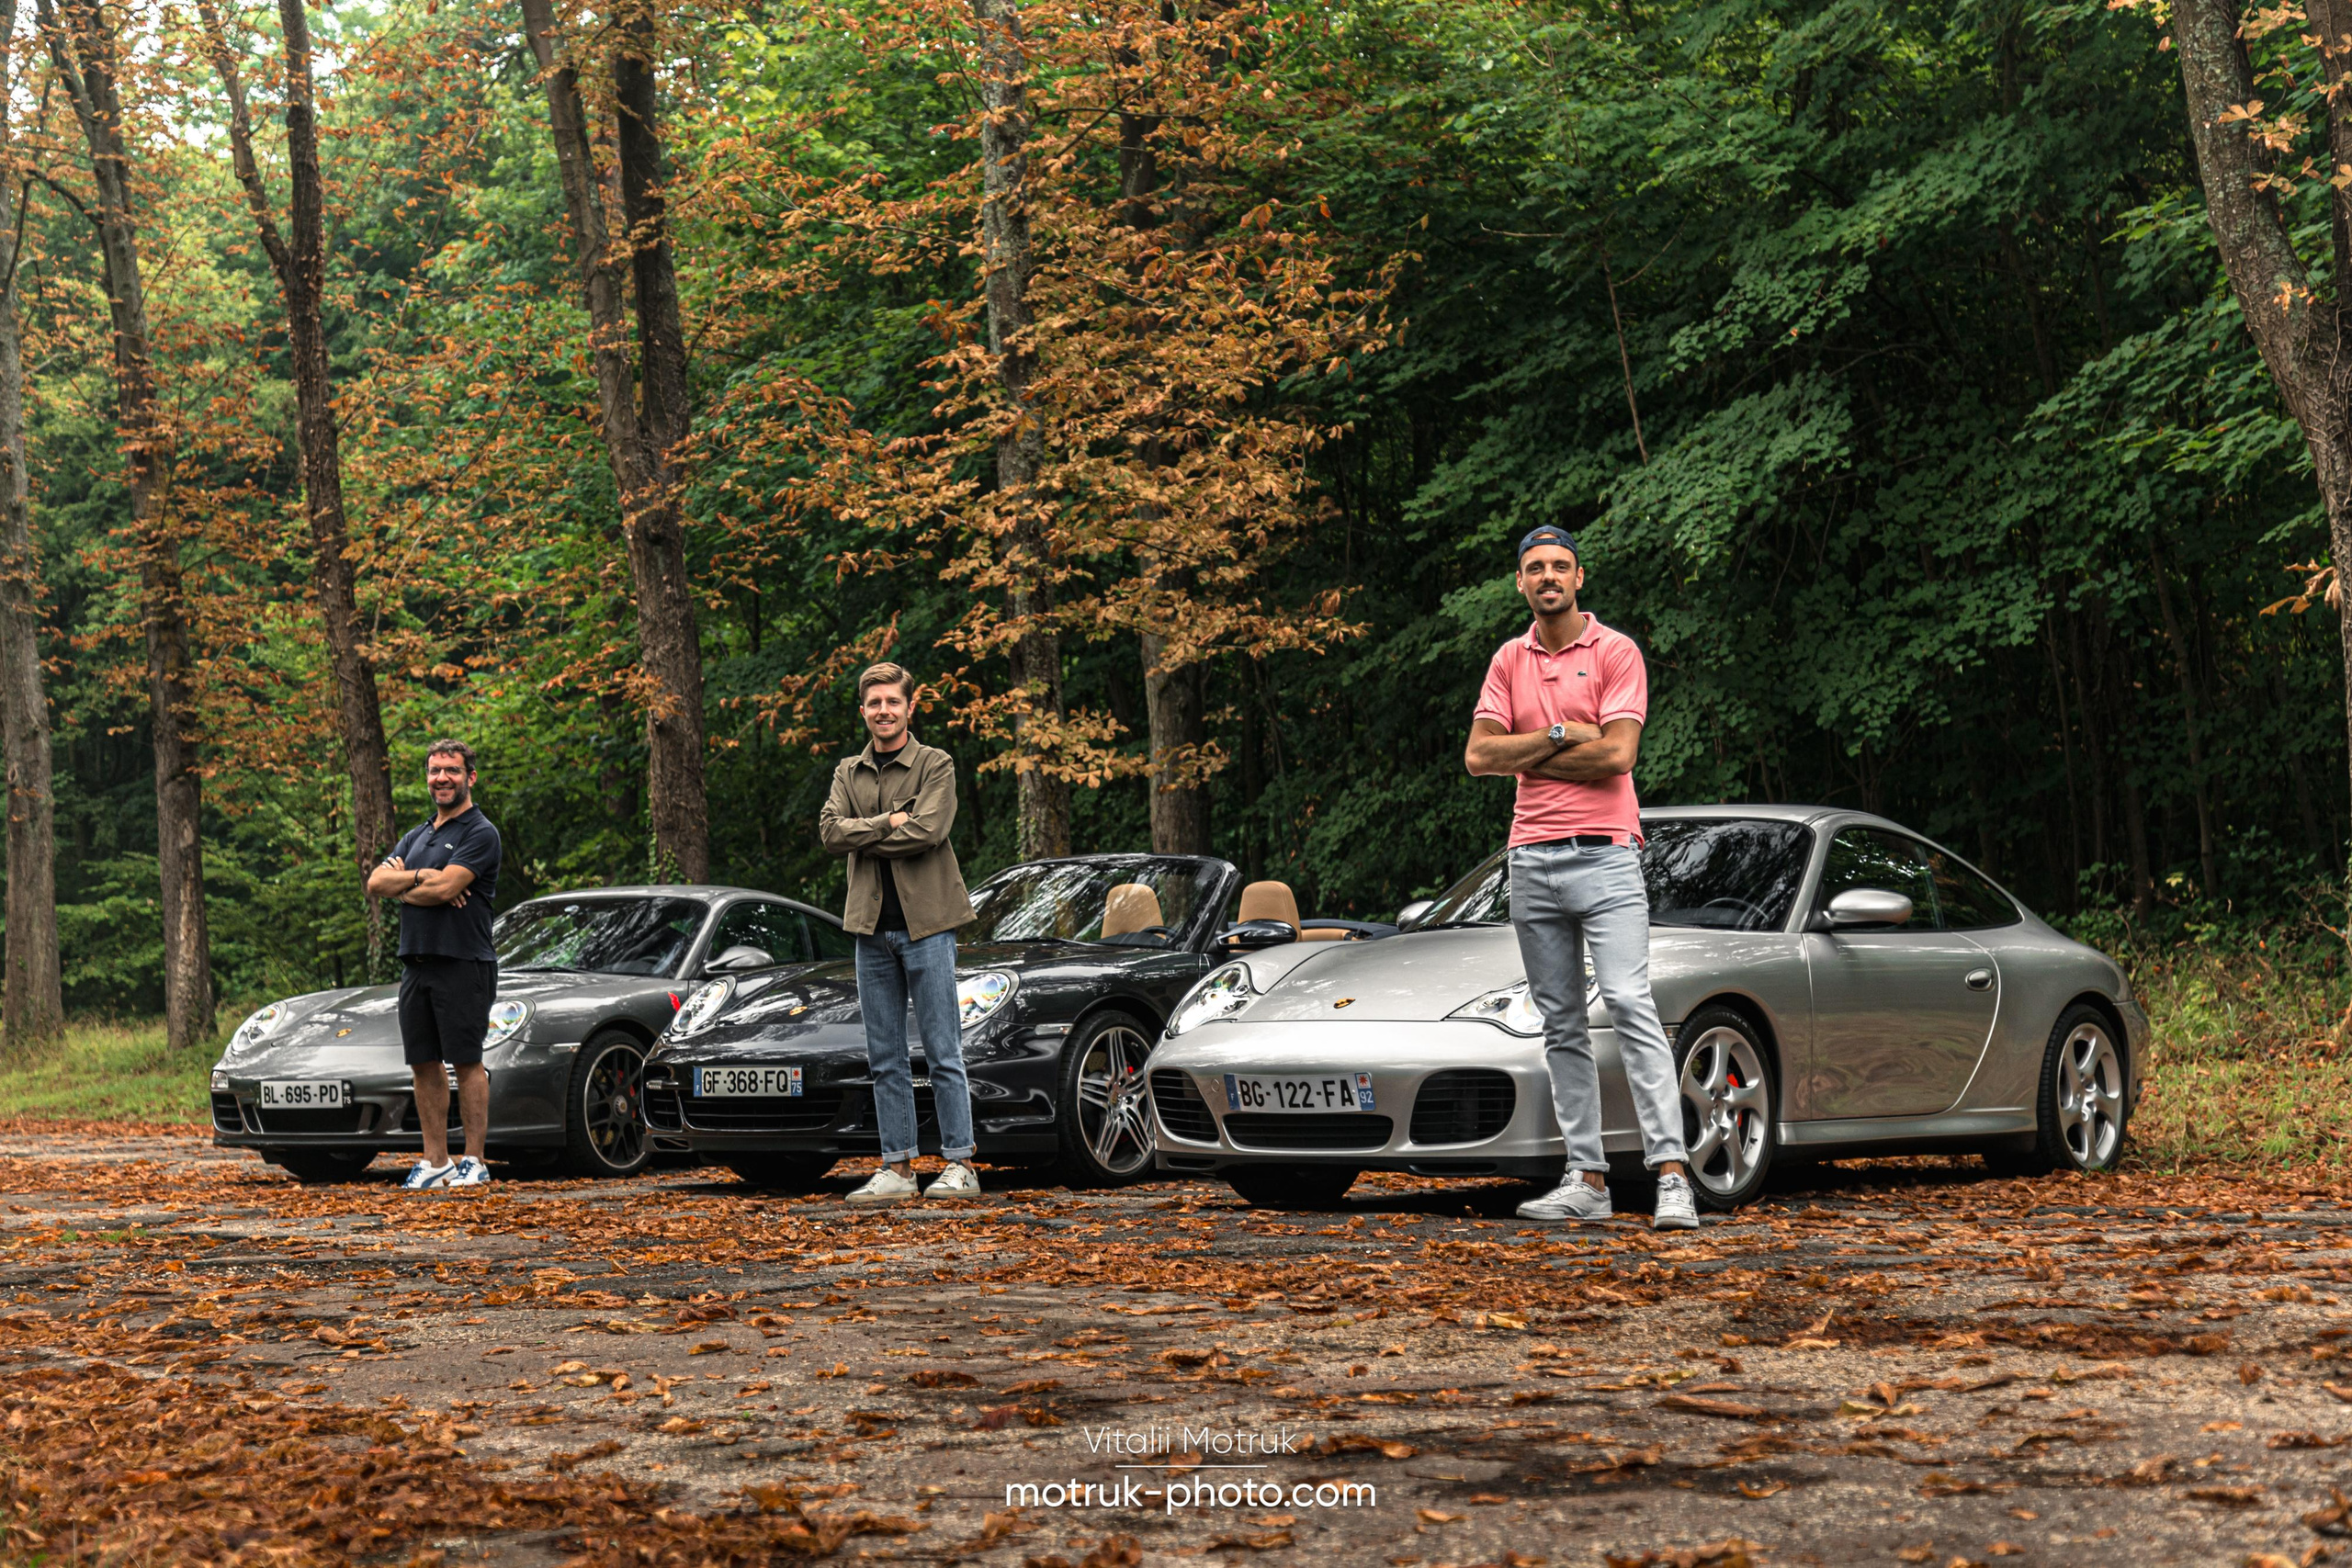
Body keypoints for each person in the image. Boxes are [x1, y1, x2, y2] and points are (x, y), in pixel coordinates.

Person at [1464, 525, 1698, 1231]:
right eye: (1534, 568)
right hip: (1530, 857)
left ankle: (1673, 1176)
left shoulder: (1616, 651)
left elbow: (1619, 754)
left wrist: (1527, 755)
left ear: (1579, 576)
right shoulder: (1510, 658)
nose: (1547, 577)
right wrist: (1565, 735)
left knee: (1629, 1002)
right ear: (1520, 582)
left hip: (1607, 853)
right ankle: (1587, 1179)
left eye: (1559, 566)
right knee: (1561, 1023)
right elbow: (1478, 756)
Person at [819, 663, 982, 1207]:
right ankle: (897, 1168)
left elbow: (928, 832)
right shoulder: (848, 770)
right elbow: (828, 832)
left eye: (893, 702)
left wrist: (866, 833)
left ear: (911, 708)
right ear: (862, 711)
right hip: (871, 931)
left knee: (943, 1051)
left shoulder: (936, 764)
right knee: (884, 1056)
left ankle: (960, 1164)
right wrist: (888, 822)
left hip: (928, 927)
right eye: (874, 703)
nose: (883, 711)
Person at [366, 739, 503, 1192]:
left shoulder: (480, 833)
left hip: (463, 962)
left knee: (467, 1063)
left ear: (470, 777)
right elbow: (376, 882)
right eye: (434, 770)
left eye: (451, 770)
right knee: (423, 1065)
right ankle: (436, 1161)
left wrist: (409, 887)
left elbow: (449, 890)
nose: (441, 778)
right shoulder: (417, 835)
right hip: (416, 965)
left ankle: (475, 1161)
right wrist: (423, 877)